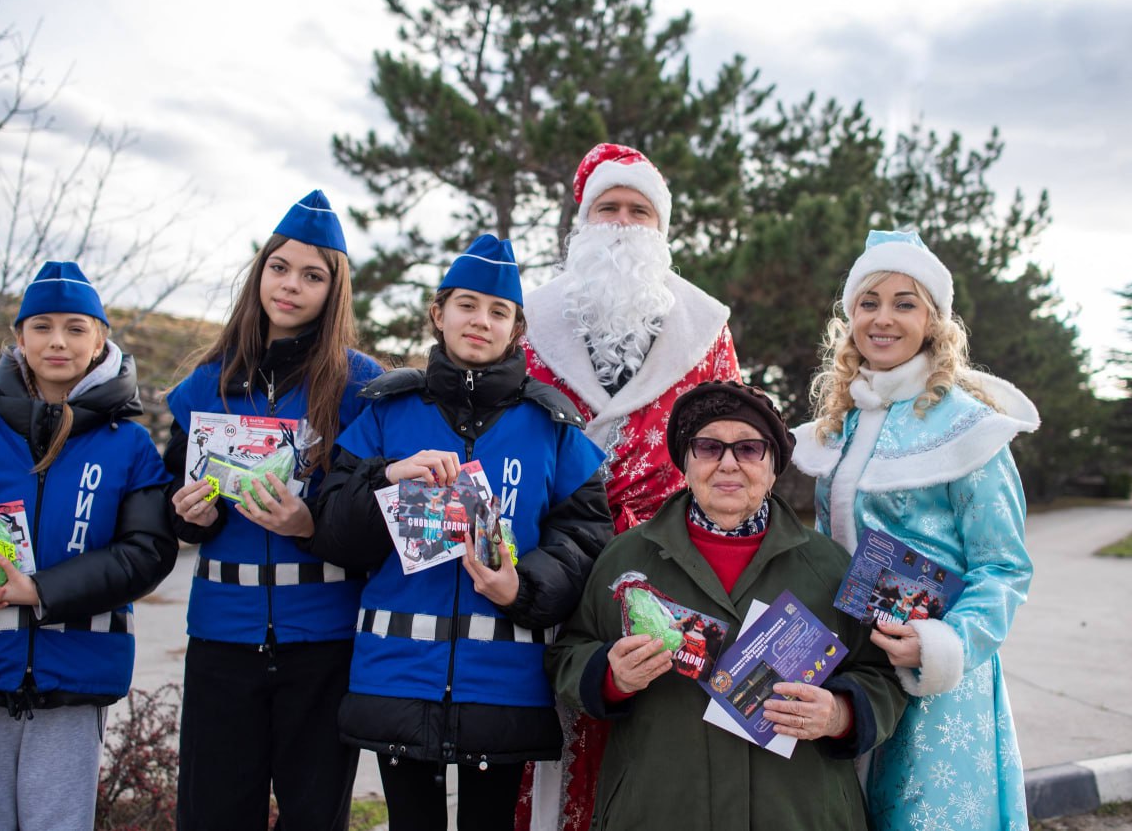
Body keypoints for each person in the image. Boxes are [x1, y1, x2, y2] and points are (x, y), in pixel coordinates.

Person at [312, 234, 613, 831]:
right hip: (395, 672)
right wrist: (388, 478)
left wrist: (521, 588)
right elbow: (331, 529)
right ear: (438, 312)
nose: (481, 321)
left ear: (518, 329)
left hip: (504, 684)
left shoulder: (550, 427)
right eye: (467, 305)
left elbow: (587, 541)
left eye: (498, 311)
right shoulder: (387, 413)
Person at [0, 261, 177, 831]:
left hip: (75, 678)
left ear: (100, 340)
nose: (58, 341)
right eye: (41, 326)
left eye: (75, 327)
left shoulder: (130, 445)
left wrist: (39, 591)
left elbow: (147, 552)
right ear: (19, 338)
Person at [546, 381, 906, 830]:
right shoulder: (626, 558)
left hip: (799, 813)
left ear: (773, 467)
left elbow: (884, 674)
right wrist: (610, 676)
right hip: (659, 811)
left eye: (750, 449)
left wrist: (839, 713)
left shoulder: (829, 565)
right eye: (709, 447)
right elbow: (568, 653)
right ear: (686, 462)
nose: (728, 463)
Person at [520, 141, 742, 831]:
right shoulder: (528, 321)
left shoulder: (706, 330)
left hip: (668, 571)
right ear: (582, 224)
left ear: (662, 229)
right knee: (544, 749)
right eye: (608, 208)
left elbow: (734, 444)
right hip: (547, 567)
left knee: (655, 747)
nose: (621, 223)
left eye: (638, 211)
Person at [792, 229, 1039, 829]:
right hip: (851, 669)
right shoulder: (842, 422)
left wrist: (942, 646)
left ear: (933, 320)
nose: (884, 319)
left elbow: (1003, 568)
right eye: (869, 302)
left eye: (906, 303)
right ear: (849, 316)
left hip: (934, 684)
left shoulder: (969, 427)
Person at [165, 190, 383, 830]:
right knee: (213, 813)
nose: (291, 285)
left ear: (334, 289)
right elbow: (166, 508)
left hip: (322, 641)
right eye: (279, 267)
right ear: (260, 271)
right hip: (221, 637)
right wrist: (187, 518)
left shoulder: (361, 388)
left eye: (312, 275)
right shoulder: (205, 384)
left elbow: (373, 521)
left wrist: (309, 524)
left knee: (315, 817)